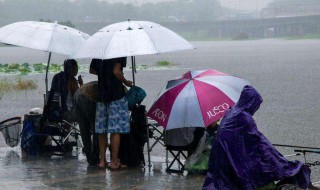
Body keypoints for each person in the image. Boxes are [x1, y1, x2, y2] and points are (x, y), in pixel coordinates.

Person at [203, 85, 312, 190]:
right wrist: (278, 159)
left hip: (220, 155)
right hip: (232, 155)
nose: (256, 107)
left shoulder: (231, 111)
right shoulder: (244, 117)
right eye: (256, 104)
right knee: (277, 165)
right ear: (251, 102)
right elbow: (259, 141)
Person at [90, 58, 132, 169]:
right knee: (115, 130)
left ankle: (102, 161)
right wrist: (126, 82)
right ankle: (114, 162)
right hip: (116, 96)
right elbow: (116, 71)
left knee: (102, 130)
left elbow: (92, 70)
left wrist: (103, 73)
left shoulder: (100, 51)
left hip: (101, 95)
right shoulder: (119, 51)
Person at [43, 59, 83, 123]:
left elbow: (50, 97)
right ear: (71, 68)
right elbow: (79, 98)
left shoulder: (56, 77)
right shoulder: (72, 80)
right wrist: (81, 84)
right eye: (76, 67)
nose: (77, 70)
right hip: (67, 113)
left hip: (53, 112)